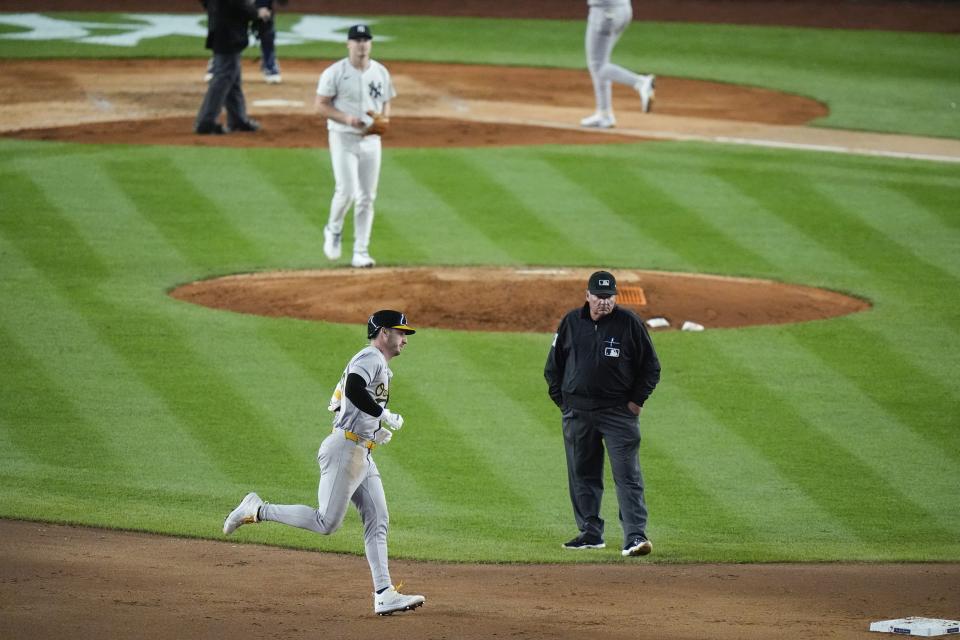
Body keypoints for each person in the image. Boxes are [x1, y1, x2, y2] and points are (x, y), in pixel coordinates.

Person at [223, 309, 425, 616]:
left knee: (377, 518)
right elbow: (354, 389)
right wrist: (380, 415)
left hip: (360, 451)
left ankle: (384, 593)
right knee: (326, 522)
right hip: (345, 450)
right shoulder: (370, 357)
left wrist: (373, 430)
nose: (404, 340)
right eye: (400, 333)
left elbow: (338, 401)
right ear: (383, 333)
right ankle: (256, 509)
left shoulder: (376, 363)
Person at [544, 271, 661, 557]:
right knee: (582, 473)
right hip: (578, 413)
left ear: (615, 297)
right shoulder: (571, 322)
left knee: (627, 475)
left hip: (618, 413)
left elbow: (651, 367)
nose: (604, 303)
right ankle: (590, 533)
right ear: (588, 296)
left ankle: (635, 536)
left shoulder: (629, 323)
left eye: (609, 297)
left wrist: (636, 402)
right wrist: (565, 403)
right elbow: (553, 366)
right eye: (599, 297)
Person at [316, 24, 396, 269]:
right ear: (348, 44)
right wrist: (347, 119)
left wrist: (384, 120)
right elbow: (321, 105)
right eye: (357, 40)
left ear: (370, 44)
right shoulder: (335, 72)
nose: (362, 44)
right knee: (347, 191)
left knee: (367, 197)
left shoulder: (380, 71)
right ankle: (333, 229)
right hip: (343, 138)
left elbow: (386, 102)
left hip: (371, 141)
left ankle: (361, 251)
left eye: (366, 40)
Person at [194, 0, 267, 135]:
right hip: (228, 33)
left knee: (232, 78)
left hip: (222, 30)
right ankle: (206, 122)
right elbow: (237, 4)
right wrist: (256, 12)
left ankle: (237, 119)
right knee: (223, 78)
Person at [581, 0, 656, 129]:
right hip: (624, 10)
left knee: (598, 65)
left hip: (604, 12)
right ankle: (604, 114)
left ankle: (641, 82)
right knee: (601, 63)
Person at [204, 0, 281, 84]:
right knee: (228, 34)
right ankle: (217, 65)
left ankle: (270, 65)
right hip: (236, 6)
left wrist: (264, 6)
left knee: (267, 31)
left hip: (259, 5)